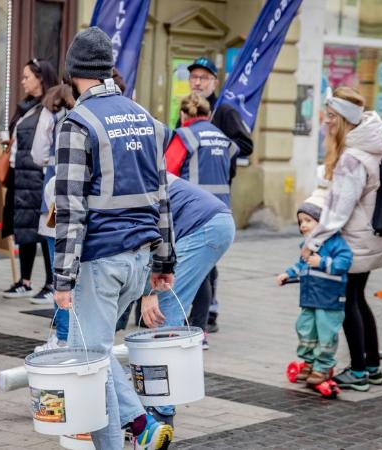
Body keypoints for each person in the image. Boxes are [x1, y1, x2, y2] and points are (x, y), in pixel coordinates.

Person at [54, 27, 175, 449]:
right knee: (98, 355)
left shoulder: (78, 122)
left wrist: (62, 279)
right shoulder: (147, 120)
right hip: (139, 259)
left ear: (73, 72)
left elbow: (70, 209)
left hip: (100, 260)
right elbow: (162, 198)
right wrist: (164, 264)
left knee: (89, 362)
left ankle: (124, 439)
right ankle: (138, 427)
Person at [304, 86, 382, 392]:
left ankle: (358, 371)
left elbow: (337, 212)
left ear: (345, 119)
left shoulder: (352, 158)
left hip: (355, 240)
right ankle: (372, 367)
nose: (326, 121)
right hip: (372, 234)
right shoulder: (377, 143)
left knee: (347, 305)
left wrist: (314, 240)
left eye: (331, 116)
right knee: (359, 300)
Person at [140, 173, 236, 429]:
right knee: (168, 307)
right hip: (213, 223)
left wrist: (147, 292)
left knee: (163, 311)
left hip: (203, 228)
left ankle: (160, 412)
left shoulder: (131, 181)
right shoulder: (136, 167)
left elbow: (148, 238)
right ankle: (157, 400)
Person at [181, 57, 253, 334]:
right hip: (191, 195)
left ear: (214, 82)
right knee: (201, 257)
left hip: (215, 194)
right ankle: (204, 309)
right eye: (194, 77)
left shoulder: (223, 111)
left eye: (203, 78)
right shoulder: (188, 109)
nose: (197, 82)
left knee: (205, 257)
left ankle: (207, 313)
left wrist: (217, 149)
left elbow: (245, 145)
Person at [277, 191, 352, 387]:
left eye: (308, 220)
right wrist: (288, 273)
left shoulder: (336, 242)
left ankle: (323, 366)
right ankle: (309, 363)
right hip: (310, 298)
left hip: (329, 299)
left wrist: (322, 262)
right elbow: (302, 265)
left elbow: (344, 263)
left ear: (324, 222)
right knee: (305, 329)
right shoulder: (307, 245)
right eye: (301, 221)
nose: (303, 225)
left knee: (326, 334)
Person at [1, 59, 58, 303]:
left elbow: (44, 147)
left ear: (41, 78)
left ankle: (51, 282)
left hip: (37, 176)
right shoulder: (25, 107)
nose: (23, 81)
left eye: (27, 77)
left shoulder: (50, 108)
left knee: (44, 229)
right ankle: (25, 281)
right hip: (20, 173)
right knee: (23, 226)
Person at [32, 83, 75, 351]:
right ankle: (76, 338)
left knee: (60, 275)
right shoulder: (85, 113)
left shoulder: (51, 114)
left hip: (54, 202)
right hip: (84, 204)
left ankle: (61, 337)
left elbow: (38, 154)